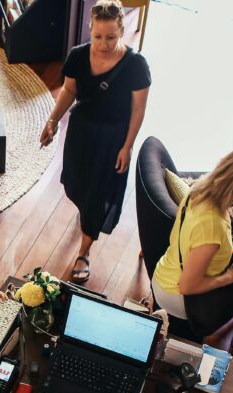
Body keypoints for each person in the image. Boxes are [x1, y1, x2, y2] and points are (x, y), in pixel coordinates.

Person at [40, 0, 150, 283]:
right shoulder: (77, 56)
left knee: (97, 195)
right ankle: (87, 217)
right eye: (97, 36)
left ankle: (84, 252)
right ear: (90, 29)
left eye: (111, 37)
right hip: (81, 132)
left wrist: (126, 146)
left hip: (113, 139)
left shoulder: (137, 65)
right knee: (76, 184)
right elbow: (68, 91)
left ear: (122, 30)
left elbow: (138, 110)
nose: (103, 44)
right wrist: (52, 121)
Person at [151, 144, 233, 327]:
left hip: (168, 269)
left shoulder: (202, 190)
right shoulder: (212, 226)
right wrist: (231, 276)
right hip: (179, 296)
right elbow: (187, 286)